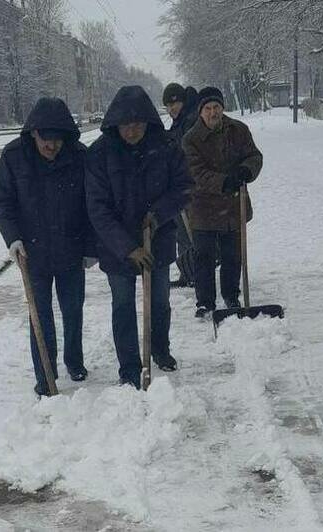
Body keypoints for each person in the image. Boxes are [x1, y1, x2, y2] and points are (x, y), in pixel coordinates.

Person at [86, 85, 192, 388]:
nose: (132, 130)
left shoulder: (167, 146)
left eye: (138, 123)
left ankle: (160, 349)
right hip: (115, 246)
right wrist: (128, 247)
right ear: (114, 123)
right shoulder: (99, 154)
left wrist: (158, 214)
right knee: (122, 305)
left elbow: (184, 187)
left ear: (148, 121)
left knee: (159, 301)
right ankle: (129, 367)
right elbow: (97, 208)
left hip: (157, 239)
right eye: (125, 124)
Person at [0, 97, 96, 397]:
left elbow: (92, 204)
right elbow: (1, 202)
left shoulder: (79, 156)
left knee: (73, 310)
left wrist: (90, 247)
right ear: (33, 133)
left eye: (57, 140)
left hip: (71, 248)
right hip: (32, 253)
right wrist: (13, 238)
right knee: (40, 314)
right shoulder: (14, 157)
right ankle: (45, 376)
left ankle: (74, 361)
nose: (51, 147)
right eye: (45, 140)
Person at [181, 87, 263, 318]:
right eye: (207, 108)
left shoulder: (239, 130)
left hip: (233, 205)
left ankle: (230, 294)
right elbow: (196, 172)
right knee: (204, 256)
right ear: (200, 111)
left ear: (222, 108)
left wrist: (247, 170)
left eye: (216, 107)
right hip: (203, 206)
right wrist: (224, 181)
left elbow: (254, 156)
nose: (213, 112)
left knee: (232, 254)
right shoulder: (191, 139)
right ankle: (205, 301)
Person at [162, 82, 200, 289]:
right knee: (181, 230)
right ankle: (188, 272)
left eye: (173, 104)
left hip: (190, 184)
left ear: (181, 101)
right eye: (167, 106)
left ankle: (194, 272)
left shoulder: (191, 119)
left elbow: (184, 150)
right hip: (179, 184)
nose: (170, 110)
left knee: (189, 230)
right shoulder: (182, 121)